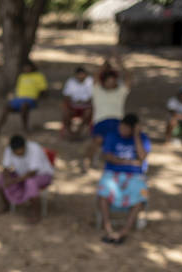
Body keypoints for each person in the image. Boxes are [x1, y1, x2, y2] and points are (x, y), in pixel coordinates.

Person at [97, 113, 151, 245]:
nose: (122, 130)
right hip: (113, 172)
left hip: (134, 175)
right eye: (121, 127)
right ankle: (108, 228)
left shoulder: (142, 139)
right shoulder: (112, 135)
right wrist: (129, 162)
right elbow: (107, 156)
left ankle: (125, 230)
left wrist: (137, 136)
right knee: (103, 190)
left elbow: (143, 157)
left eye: (126, 128)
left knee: (141, 194)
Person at [84, 55, 133, 171]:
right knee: (98, 140)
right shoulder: (97, 91)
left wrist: (122, 65)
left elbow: (129, 77)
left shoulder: (121, 92)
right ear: (104, 82)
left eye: (113, 81)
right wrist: (104, 64)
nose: (111, 84)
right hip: (101, 121)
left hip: (118, 122)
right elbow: (95, 76)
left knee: (116, 142)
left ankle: (108, 162)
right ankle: (87, 161)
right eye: (108, 81)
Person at [0, 135, 54, 223]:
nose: (18, 155)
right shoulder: (9, 149)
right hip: (21, 174)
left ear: (25, 146)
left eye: (20, 152)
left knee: (30, 182)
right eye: (16, 153)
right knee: (1, 179)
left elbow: (33, 172)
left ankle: (36, 214)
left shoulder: (35, 149)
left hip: (42, 175)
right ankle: (6, 206)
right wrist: (7, 178)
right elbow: (6, 167)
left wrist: (14, 180)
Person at [0, 60, 48, 136]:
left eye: (27, 67)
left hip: (31, 99)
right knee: (6, 107)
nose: (26, 69)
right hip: (19, 99)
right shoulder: (22, 76)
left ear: (32, 67)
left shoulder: (38, 76)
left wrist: (38, 98)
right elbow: (17, 90)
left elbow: (43, 90)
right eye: (24, 67)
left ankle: (25, 128)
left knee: (24, 106)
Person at [61, 66, 93, 138]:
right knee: (66, 113)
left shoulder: (90, 81)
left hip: (86, 106)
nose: (81, 76)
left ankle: (79, 131)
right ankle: (70, 132)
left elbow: (92, 97)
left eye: (82, 74)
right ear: (76, 75)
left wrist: (84, 102)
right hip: (73, 105)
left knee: (88, 113)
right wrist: (73, 102)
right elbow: (66, 95)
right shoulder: (70, 82)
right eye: (79, 74)